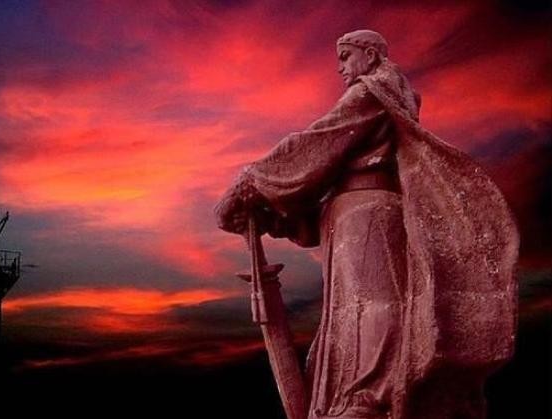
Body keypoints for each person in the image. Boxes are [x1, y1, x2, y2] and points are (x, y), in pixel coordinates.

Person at [214, 30, 518, 419]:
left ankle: (367, 393)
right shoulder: (379, 98)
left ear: (370, 56)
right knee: (352, 305)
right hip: (351, 215)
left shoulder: (371, 93)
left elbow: (318, 141)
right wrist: (273, 212)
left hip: (368, 215)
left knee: (368, 301)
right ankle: (357, 394)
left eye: (346, 56)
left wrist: (251, 183)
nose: (340, 67)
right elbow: (324, 166)